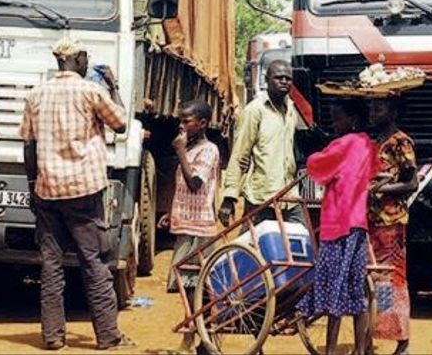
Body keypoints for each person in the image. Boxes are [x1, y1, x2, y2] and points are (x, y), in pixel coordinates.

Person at [19, 36, 134, 351]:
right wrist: (114, 86)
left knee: (51, 266)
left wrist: (32, 186)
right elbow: (122, 124)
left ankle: (53, 336)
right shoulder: (92, 91)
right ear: (79, 59)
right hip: (85, 191)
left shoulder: (36, 95)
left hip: (47, 190)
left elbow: (28, 145)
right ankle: (108, 336)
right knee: (93, 263)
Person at [297, 99, 379, 355]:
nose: (334, 124)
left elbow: (316, 166)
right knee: (356, 288)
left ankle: (330, 351)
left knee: (335, 286)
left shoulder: (342, 145)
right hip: (358, 223)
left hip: (338, 223)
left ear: (352, 119)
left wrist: (312, 151)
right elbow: (373, 172)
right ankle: (360, 349)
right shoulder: (368, 144)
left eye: (337, 118)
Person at [159, 99, 220, 353]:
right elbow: (183, 189)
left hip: (199, 229)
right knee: (190, 288)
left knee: (195, 287)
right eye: (180, 121)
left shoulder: (209, 150)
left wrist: (181, 152)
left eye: (187, 121)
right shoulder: (192, 149)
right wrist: (171, 213)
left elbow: (195, 183)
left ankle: (196, 341)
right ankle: (201, 341)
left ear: (203, 124)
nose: (181, 126)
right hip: (185, 224)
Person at [219, 60, 302, 227]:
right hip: (262, 197)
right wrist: (229, 197)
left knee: (298, 242)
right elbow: (240, 152)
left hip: (290, 197)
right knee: (257, 245)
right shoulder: (254, 110)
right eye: (279, 78)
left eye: (288, 78)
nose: (284, 82)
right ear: (267, 80)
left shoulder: (291, 110)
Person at [367, 96, 418, 355]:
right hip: (374, 221)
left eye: (379, 108)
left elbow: (411, 184)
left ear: (394, 111)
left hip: (391, 221)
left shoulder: (401, 142)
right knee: (378, 279)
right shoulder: (377, 142)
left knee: (392, 279)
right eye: (372, 108)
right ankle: (381, 331)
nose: (373, 112)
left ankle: (402, 340)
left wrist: (380, 189)